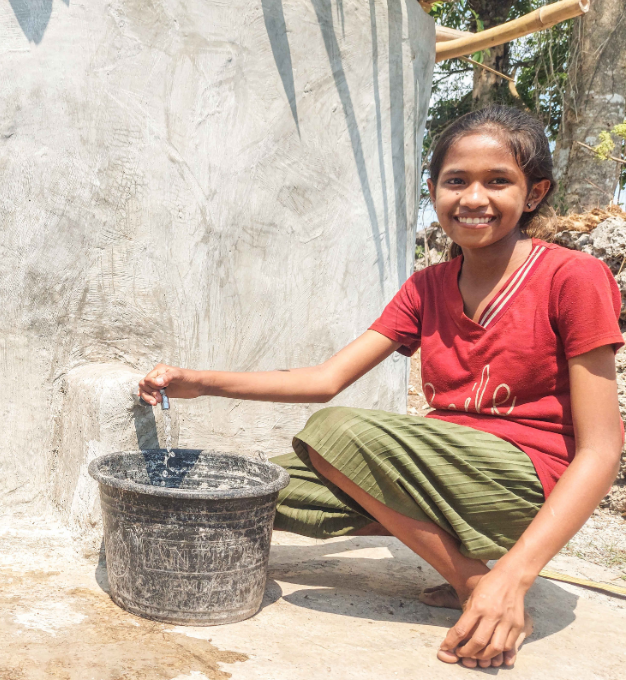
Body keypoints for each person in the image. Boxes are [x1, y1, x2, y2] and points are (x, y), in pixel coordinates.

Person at [138, 105, 623, 669]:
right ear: (433, 189)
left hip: (525, 486)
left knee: (337, 433)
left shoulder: (572, 277)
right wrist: (199, 381)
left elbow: (601, 448)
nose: (473, 198)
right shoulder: (426, 287)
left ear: (534, 193)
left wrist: (514, 578)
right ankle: (469, 571)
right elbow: (325, 380)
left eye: (498, 182)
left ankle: (477, 585)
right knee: (258, 490)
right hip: (441, 473)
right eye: (456, 181)